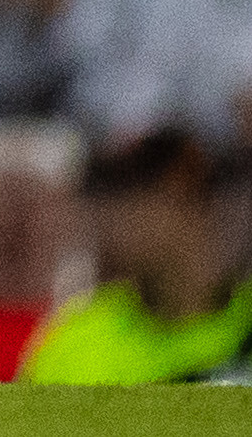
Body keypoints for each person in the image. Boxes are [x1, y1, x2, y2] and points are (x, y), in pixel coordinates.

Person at [20, 127, 252, 383]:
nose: (107, 215)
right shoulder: (72, 340)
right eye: (103, 191)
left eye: (130, 189)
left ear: (182, 185)